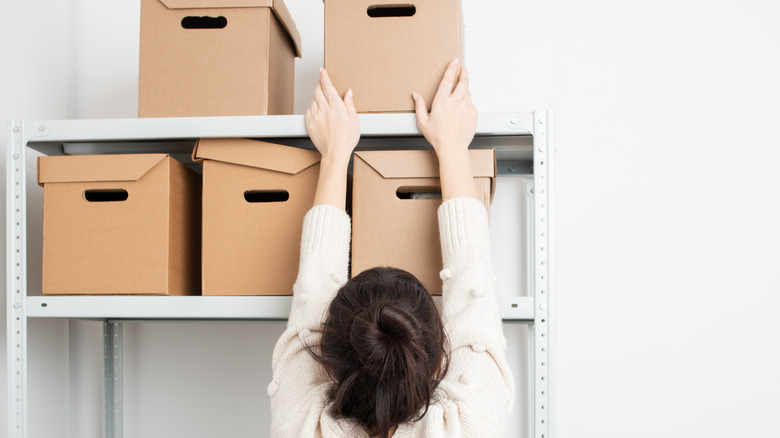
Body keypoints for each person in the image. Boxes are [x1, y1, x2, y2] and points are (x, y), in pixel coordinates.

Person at [269, 58, 514, 437]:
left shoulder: (300, 423)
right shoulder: (469, 422)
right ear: (438, 361)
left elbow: (311, 301)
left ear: (329, 362)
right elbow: (474, 289)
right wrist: (451, 148)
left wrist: (335, 155)